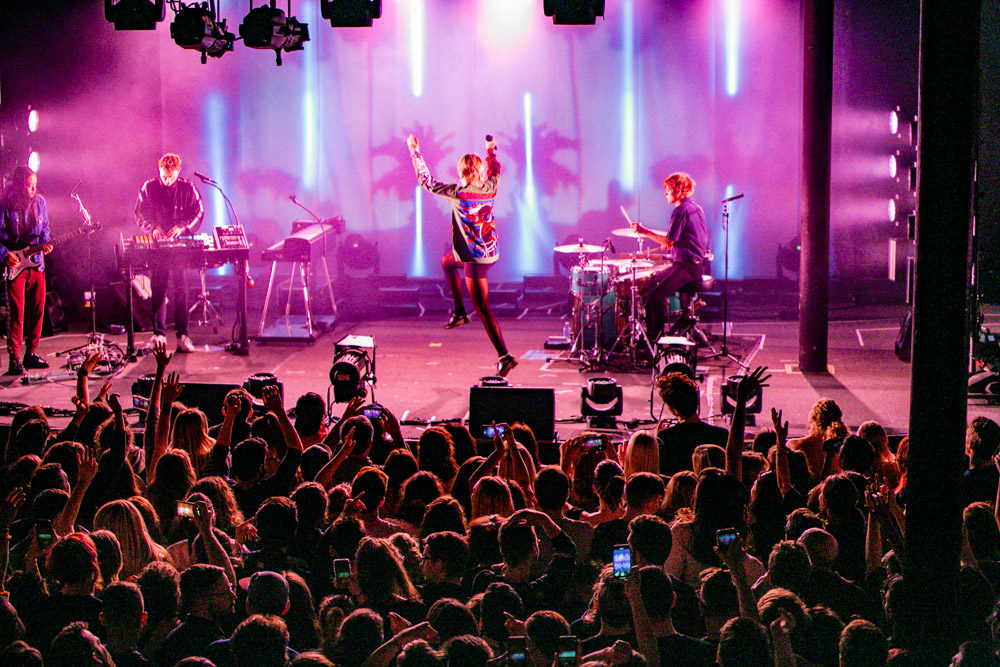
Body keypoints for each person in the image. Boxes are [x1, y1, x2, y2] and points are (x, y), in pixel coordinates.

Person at [406, 133, 516, 377]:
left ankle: (505, 356)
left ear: (461, 171)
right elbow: (496, 170)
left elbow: (426, 181)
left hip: (474, 260)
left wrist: (414, 151)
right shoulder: (489, 188)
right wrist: (490, 150)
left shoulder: (458, 193)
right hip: (490, 251)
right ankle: (458, 312)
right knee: (447, 262)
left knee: (483, 310)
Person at [133, 152, 204, 353]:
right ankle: (159, 335)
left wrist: (182, 228)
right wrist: (153, 228)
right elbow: (139, 213)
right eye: (164, 176)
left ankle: (183, 335)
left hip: (179, 246)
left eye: (171, 177)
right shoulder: (149, 187)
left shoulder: (188, 187)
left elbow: (198, 211)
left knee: (181, 289)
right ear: (159, 169)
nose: (166, 181)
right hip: (158, 246)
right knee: (158, 289)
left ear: (178, 171)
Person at [629, 171, 709, 342]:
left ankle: (654, 342)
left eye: (667, 190)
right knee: (650, 283)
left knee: (654, 297)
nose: (665, 193)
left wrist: (643, 231)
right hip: (694, 265)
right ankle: (655, 335)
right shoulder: (696, 208)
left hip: (687, 267)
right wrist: (672, 244)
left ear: (678, 191)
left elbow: (669, 240)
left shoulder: (680, 211)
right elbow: (689, 238)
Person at [0, 165, 53, 374]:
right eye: (29, 185)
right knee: (17, 312)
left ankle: (31, 353)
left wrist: (46, 243)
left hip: (36, 263)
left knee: (38, 309)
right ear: (19, 184)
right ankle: (14, 357)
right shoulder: (4, 204)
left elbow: (45, 229)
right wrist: (4, 254)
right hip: (15, 264)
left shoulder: (40, 203)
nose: (33, 189)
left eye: (35, 185)